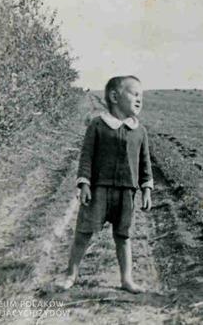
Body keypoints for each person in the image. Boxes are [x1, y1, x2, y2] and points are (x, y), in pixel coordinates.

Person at [57, 76, 153, 293]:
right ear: (114, 97)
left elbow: (145, 163)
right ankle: (70, 274)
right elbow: (86, 156)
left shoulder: (139, 131)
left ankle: (126, 279)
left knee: (123, 236)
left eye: (142, 96)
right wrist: (84, 184)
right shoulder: (98, 125)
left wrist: (147, 190)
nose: (140, 100)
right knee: (83, 232)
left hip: (126, 192)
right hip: (99, 190)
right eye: (134, 94)